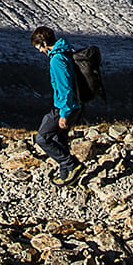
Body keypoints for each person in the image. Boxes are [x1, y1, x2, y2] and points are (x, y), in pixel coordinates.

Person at [28, 26, 85, 184]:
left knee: (42, 137)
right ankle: (65, 175)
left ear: (45, 43)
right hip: (75, 105)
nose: (40, 51)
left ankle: (71, 166)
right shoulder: (65, 51)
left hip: (66, 107)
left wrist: (64, 114)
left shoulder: (57, 60)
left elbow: (65, 88)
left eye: (39, 47)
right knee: (58, 137)